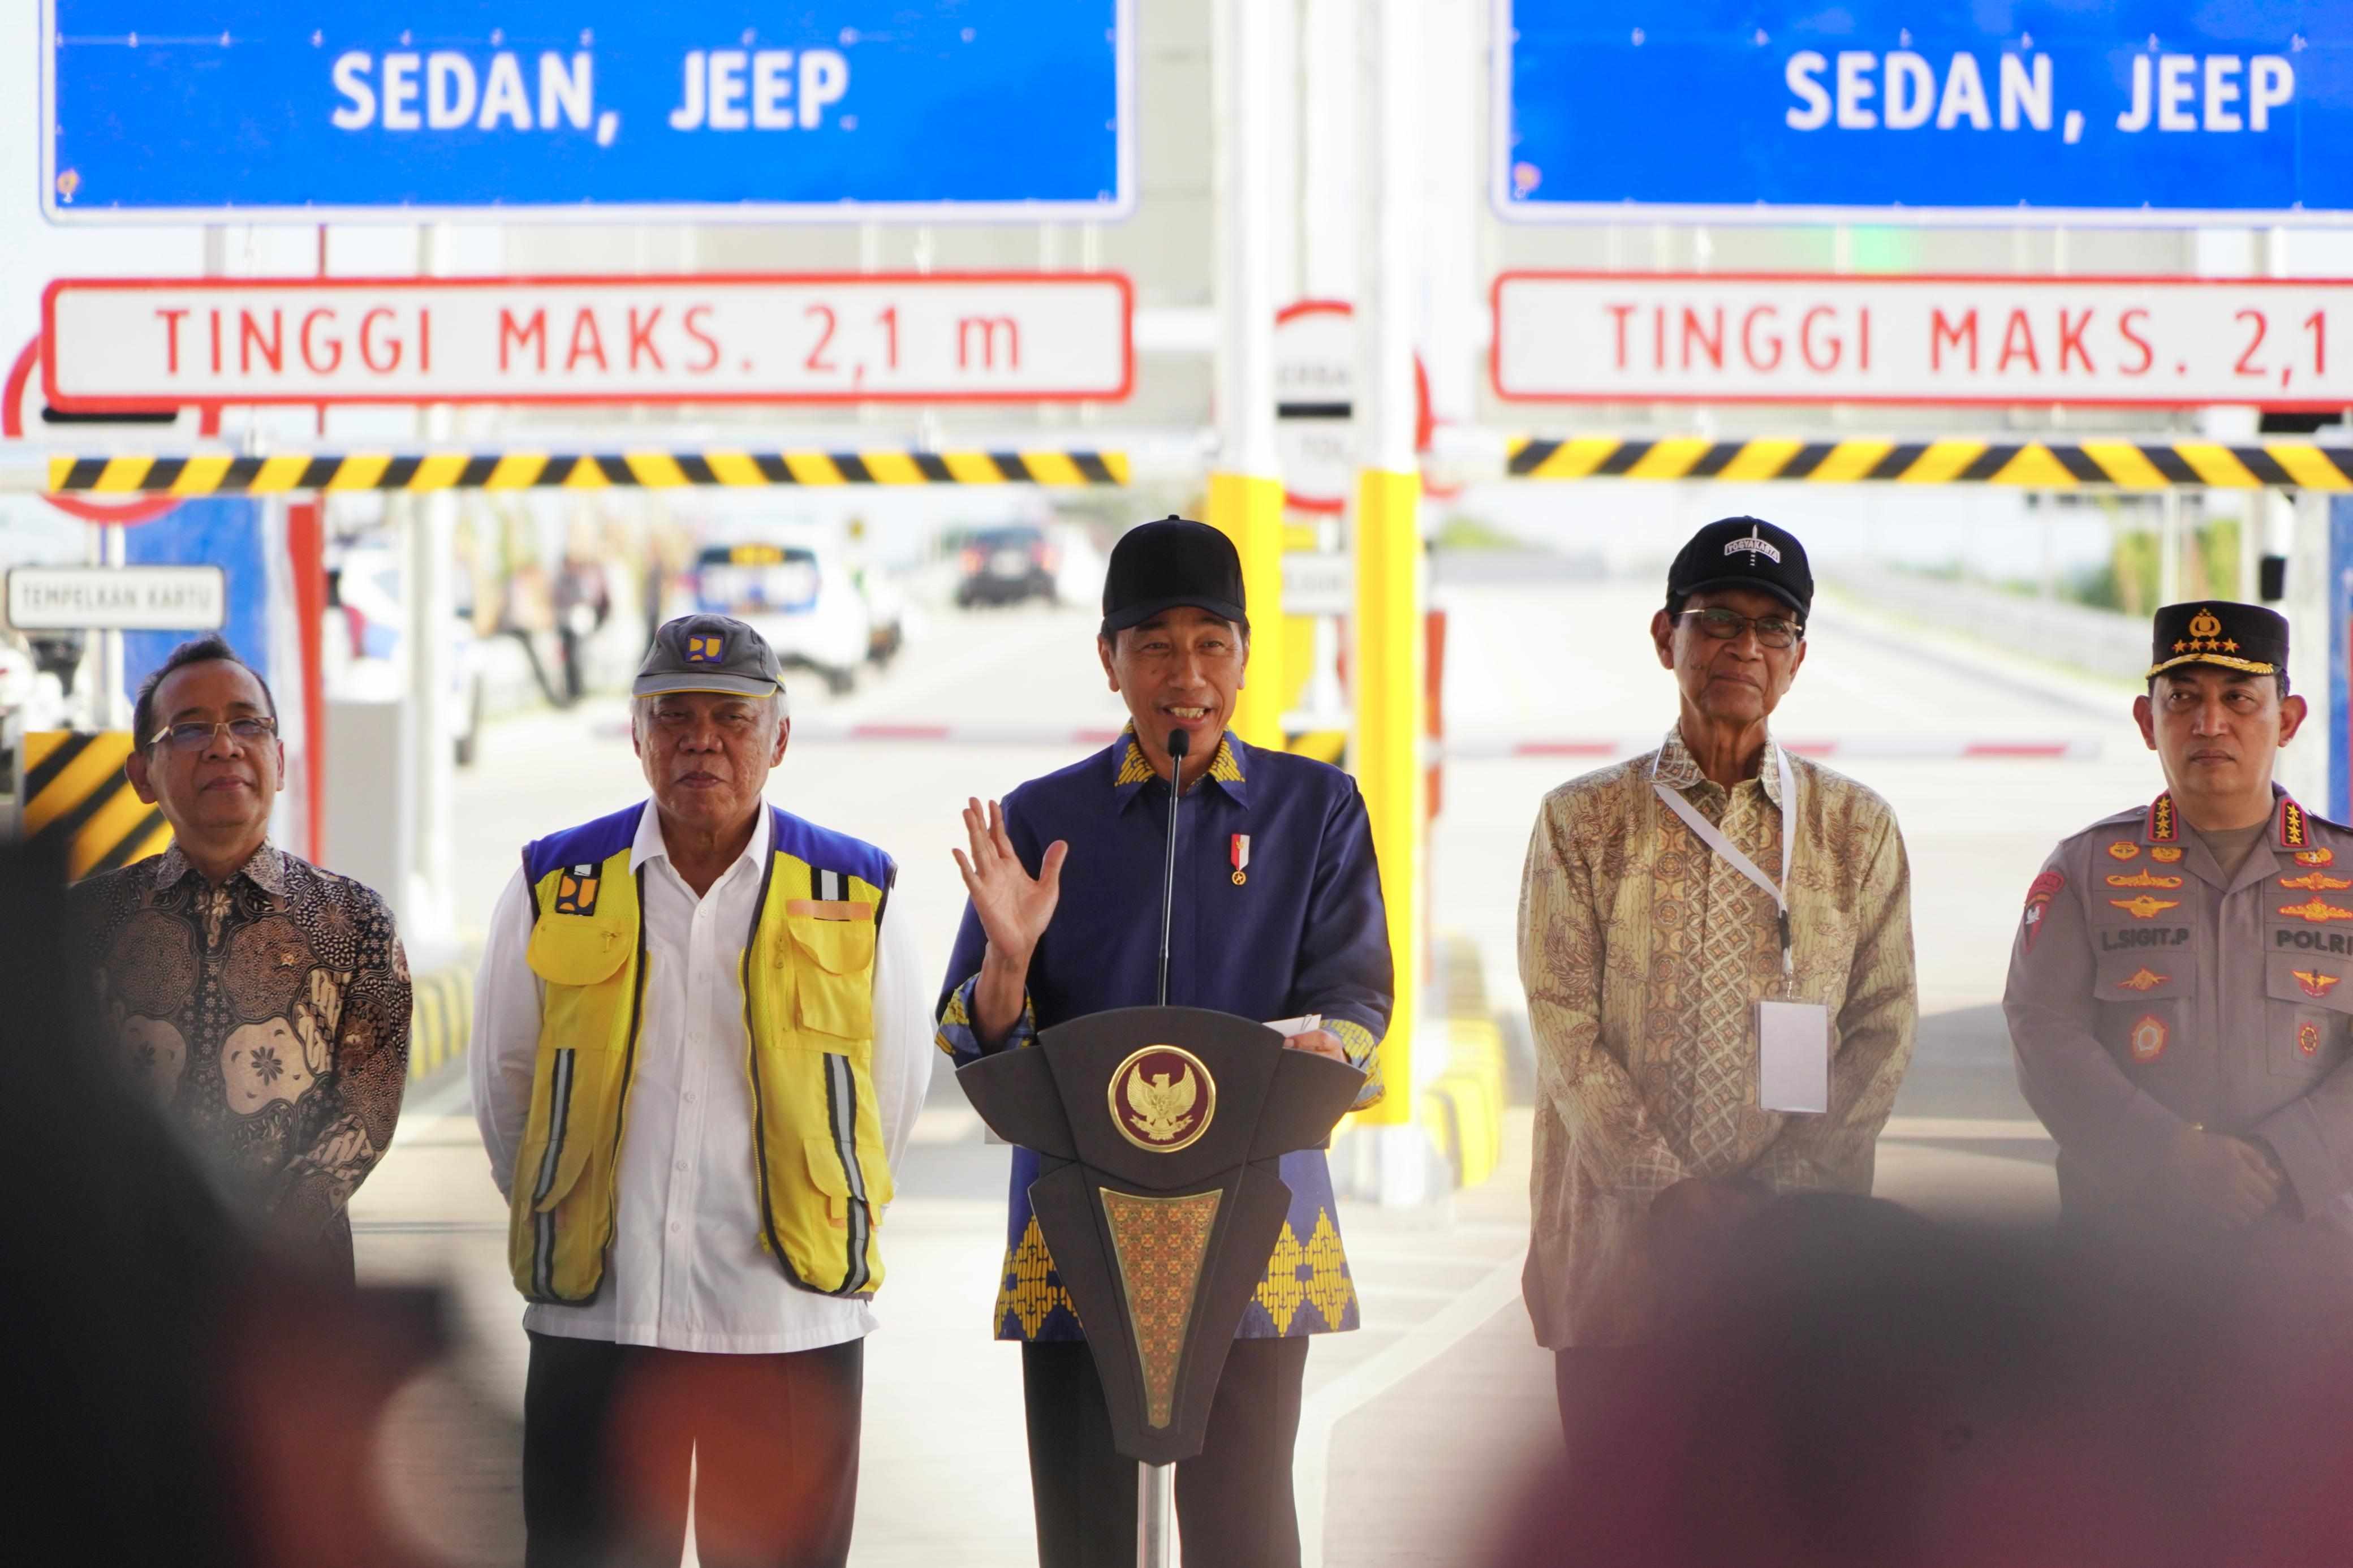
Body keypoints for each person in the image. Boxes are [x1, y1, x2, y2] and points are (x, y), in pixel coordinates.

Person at [936, 515, 1391, 1568]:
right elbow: (978, 1034)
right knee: (1087, 1537)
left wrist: (1335, 1049)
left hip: (1258, 1216)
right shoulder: (1044, 818)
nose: (1185, 675)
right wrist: (1008, 960)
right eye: (1153, 645)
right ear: (1108, 660)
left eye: (1210, 644)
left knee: (1244, 1531)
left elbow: (1356, 989)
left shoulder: (1314, 808)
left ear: (1242, 654)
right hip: (1079, 1224)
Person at [472, 614, 930, 1568]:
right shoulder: (555, 880)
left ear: (781, 737)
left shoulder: (856, 887)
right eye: (672, 715)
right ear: (637, 734)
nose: (701, 740)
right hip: (602, 1315)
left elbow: (892, 1098)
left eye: (732, 717)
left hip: (787, 1325)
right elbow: (507, 1091)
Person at [1516, 516, 1917, 1461]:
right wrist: (1672, 1195)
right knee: (1624, 1529)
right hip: (1618, 1261)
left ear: (1798, 656)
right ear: (1668, 638)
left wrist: (1778, 1198)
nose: (1744, 647)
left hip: (1794, 1266)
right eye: (1717, 620)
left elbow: (1884, 1030)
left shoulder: (1855, 829)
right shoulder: (1582, 820)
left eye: (1772, 628)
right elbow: (1562, 1022)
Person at [70, 633, 411, 1288]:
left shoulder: (356, 921)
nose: (224, 745)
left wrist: (261, 1247)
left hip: (288, 1303)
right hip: (115, 1292)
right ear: (142, 775)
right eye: (190, 729)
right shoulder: (84, 924)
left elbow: (365, 1114)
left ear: (279, 761)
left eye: (247, 724)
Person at [2006, 601, 2353, 1237]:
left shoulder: (2345, 873)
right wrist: (2166, 1155)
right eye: (2183, 698)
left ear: (2287, 719)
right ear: (2146, 720)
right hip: (2125, 1254)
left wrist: (2286, 1160)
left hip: (2309, 1249)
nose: (2209, 723)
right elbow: (2043, 1033)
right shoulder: (2087, 869)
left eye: (2239, 698)